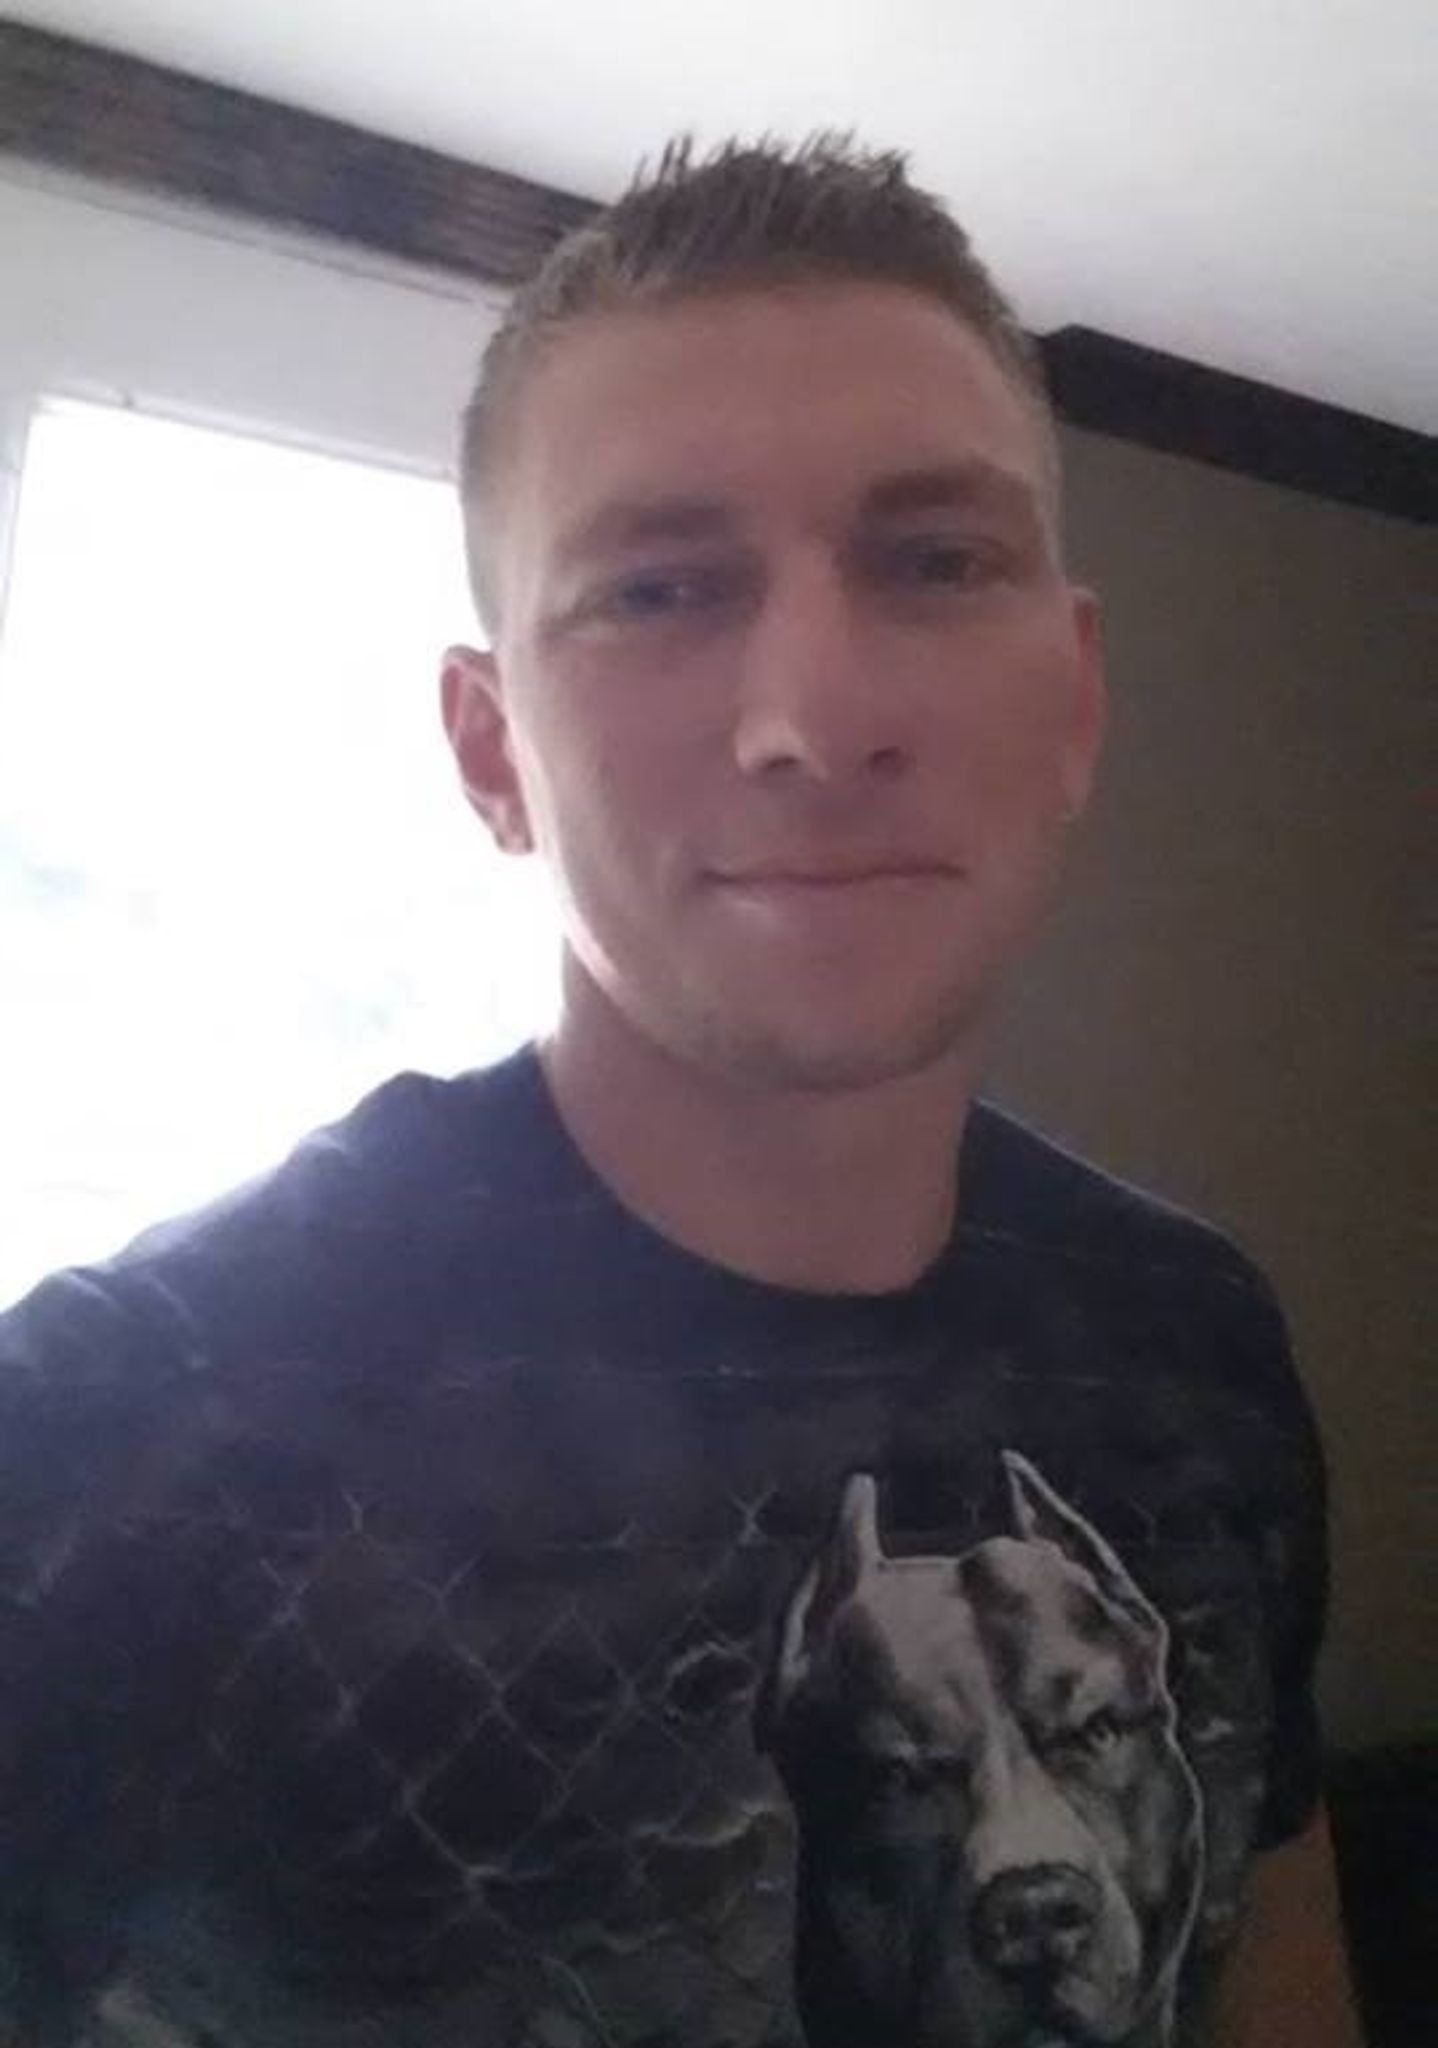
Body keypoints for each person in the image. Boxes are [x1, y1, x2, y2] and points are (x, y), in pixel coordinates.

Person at [0, 136, 1362, 2047]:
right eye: (656, 588)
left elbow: (1269, 1961)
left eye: (934, 561)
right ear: (492, 752)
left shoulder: (1196, 1344)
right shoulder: (129, 1426)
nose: (813, 717)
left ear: (1071, 699)